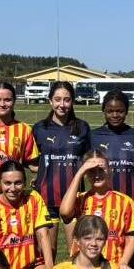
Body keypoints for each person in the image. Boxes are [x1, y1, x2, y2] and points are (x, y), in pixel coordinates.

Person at [58, 153, 134, 269]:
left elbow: (131, 238)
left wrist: (124, 262)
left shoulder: (125, 201)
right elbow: (65, 212)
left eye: (101, 170)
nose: (97, 175)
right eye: (91, 171)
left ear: (110, 170)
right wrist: (80, 173)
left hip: (113, 265)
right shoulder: (80, 199)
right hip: (83, 267)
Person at [33, 81, 92, 219]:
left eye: (67, 100)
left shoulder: (83, 127)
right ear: (50, 101)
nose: (62, 104)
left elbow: (88, 158)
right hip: (46, 196)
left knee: (75, 241)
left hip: (74, 196)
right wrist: (42, 169)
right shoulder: (40, 128)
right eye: (57, 99)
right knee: (47, 241)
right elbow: (29, 159)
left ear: (72, 102)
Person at [90, 90, 134, 202]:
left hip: (130, 202)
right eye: (110, 111)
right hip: (101, 203)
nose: (115, 115)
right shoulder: (93, 136)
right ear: (103, 111)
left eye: (120, 111)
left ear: (126, 111)